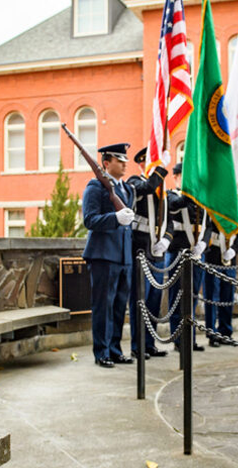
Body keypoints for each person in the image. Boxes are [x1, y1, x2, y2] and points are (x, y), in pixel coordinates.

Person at [82, 143, 136, 368]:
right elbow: (90, 220)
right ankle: (101, 352)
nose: (125, 163)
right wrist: (115, 218)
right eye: (119, 160)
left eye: (125, 159)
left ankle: (115, 349)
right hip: (103, 255)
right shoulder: (96, 186)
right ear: (106, 163)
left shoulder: (127, 189)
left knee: (118, 306)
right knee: (103, 306)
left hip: (124, 257)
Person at [127, 147, 171, 359]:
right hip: (141, 249)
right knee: (140, 300)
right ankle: (138, 345)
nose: (150, 166)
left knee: (154, 301)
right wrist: (161, 169)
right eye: (148, 162)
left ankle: (150, 344)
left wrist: (166, 240)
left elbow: (169, 222)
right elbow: (147, 186)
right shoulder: (135, 183)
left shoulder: (163, 191)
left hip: (158, 253)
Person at [166, 162, 211, 352]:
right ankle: (178, 340)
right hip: (178, 253)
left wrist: (204, 243)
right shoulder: (171, 195)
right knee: (176, 298)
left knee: (192, 298)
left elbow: (208, 224)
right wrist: (190, 192)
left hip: (196, 253)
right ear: (176, 177)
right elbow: (175, 205)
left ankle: (190, 338)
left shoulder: (199, 199)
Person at [203, 217, 238, 347]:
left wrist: (234, 249)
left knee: (227, 297)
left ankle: (226, 332)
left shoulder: (232, 209)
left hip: (229, 258)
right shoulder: (212, 207)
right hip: (213, 255)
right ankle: (212, 333)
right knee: (212, 298)